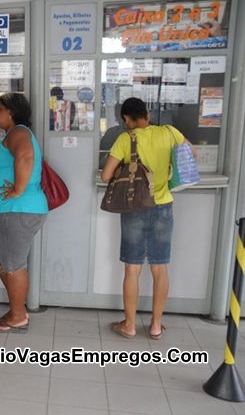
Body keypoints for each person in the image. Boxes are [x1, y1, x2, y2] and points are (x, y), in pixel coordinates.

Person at [101, 97, 192, 340]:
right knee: (159, 268)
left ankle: (129, 325)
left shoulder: (125, 138)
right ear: (147, 116)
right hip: (163, 205)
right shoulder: (169, 132)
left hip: (134, 207)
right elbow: (190, 153)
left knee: (132, 269)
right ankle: (155, 326)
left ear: (126, 119)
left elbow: (106, 175)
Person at [0, 93, 47, 333]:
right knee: (2, 262)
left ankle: (19, 315)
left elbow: (25, 155)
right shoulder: (12, 134)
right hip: (9, 210)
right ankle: (16, 309)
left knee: (13, 265)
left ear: (10, 112)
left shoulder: (18, 132)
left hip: (18, 210)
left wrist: (18, 188)